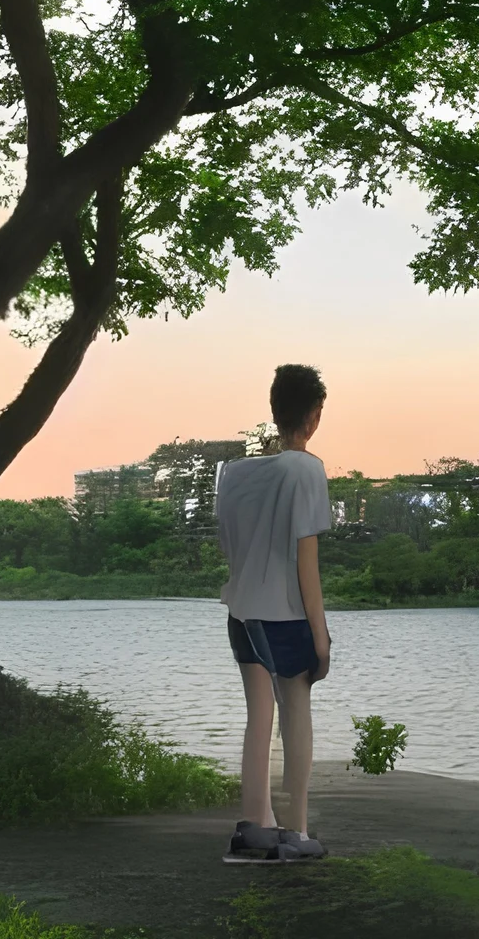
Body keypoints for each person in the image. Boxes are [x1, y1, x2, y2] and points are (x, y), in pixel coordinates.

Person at [214, 363, 333, 864]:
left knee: (258, 717)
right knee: (297, 717)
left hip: (240, 612)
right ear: (313, 414)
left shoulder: (235, 473)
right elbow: (306, 561)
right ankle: (297, 831)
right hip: (284, 615)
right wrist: (320, 635)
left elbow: (230, 547)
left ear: (274, 409)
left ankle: (254, 827)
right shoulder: (306, 469)